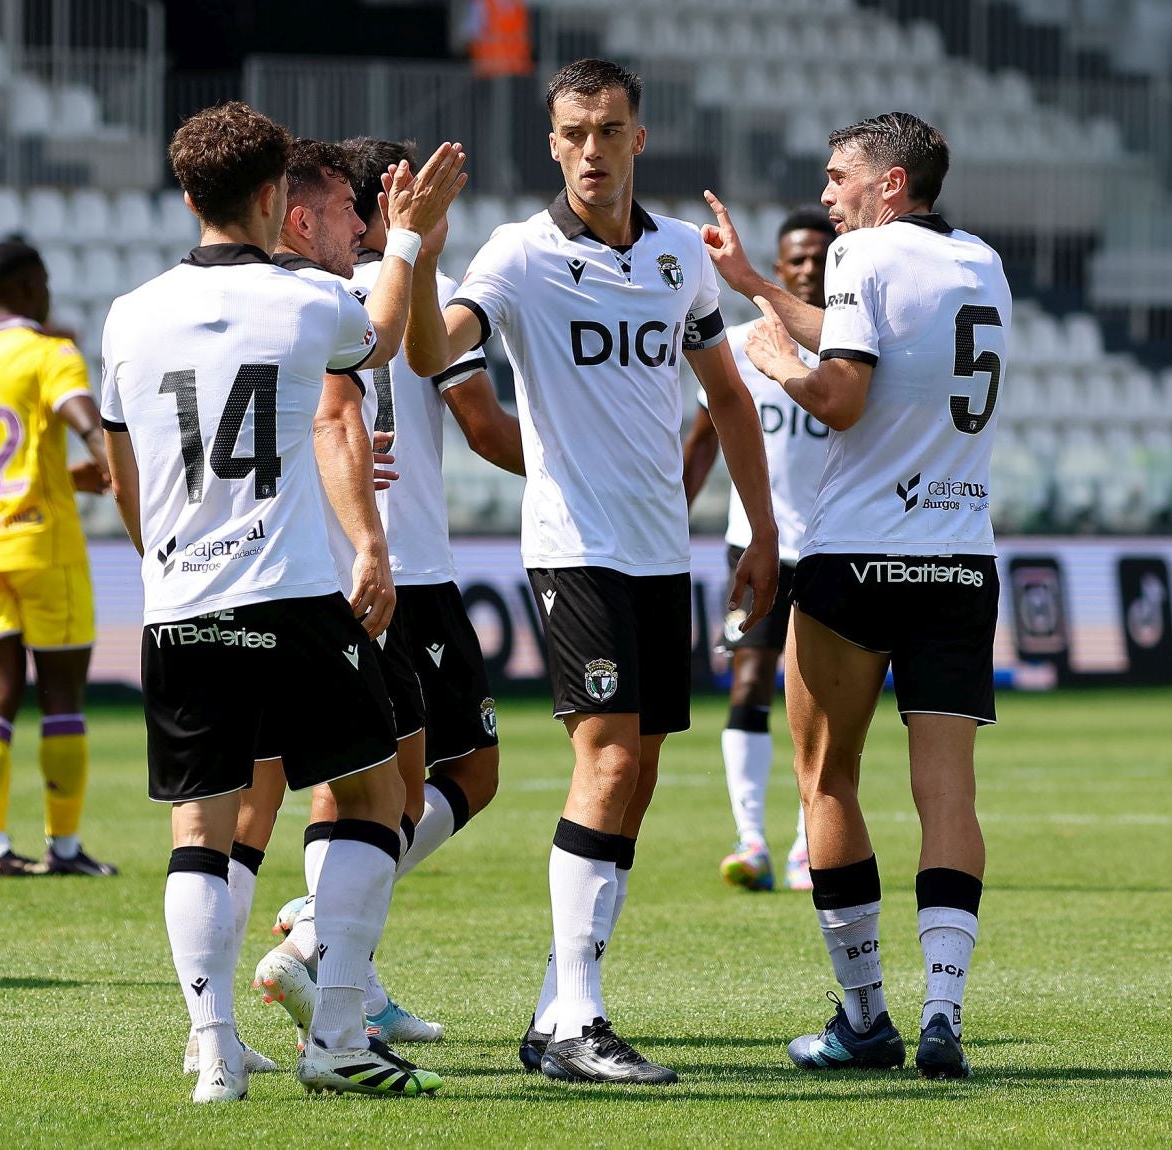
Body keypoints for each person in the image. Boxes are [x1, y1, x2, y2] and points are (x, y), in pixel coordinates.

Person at [404, 58, 778, 1085]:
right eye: (574, 132)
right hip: (574, 546)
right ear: (552, 143)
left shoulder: (679, 255)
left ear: (638, 139)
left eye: (610, 130)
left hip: (662, 550)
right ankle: (578, 1022)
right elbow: (435, 349)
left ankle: (553, 1011)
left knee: (638, 778)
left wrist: (760, 529)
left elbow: (728, 398)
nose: (592, 150)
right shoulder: (518, 254)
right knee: (608, 764)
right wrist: (417, 252)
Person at [100, 99, 463, 1102]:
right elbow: (380, 341)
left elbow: (125, 471)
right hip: (295, 598)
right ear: (273, 197)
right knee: (374, 796)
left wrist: (163, 561)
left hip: (181, 603)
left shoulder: (129, 313)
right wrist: (409, 236)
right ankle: (338, 1035)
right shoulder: (308, 302)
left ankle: (212, 1049)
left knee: (200, 826)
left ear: (188, 198)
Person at [704, 111, 1010, 1080]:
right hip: (958, 559)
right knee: (948, 793)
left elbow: (841, 394)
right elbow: (881, 343)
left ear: (890, 184)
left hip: (857, 557)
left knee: (826, 779)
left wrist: (778, 365)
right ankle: (944, 1014)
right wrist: (758, 288)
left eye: (840, 176)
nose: (827, 193)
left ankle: (866, 1019)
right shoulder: (982, 262)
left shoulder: (861, 255)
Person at [251, 135, 521, 1050]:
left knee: (354, 786)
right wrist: (592, 463)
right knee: (454, 776)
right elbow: (482, 424)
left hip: (335, 570)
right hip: (406, 568)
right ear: (394, 199)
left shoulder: (305, 300)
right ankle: (324, 940)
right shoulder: (396, 298)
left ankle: (349, 977)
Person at [0, 239, 116, 878]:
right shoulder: (50, 354)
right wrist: (112, 464)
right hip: (43, 544)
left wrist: (61, 477)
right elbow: (84, 422)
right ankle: (63, 849)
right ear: (32, 285)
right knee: (61, 696)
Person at [681, 205, 836, 894]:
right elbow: (701, 443)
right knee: (748, 685)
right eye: (796, 258)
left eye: (820, 258)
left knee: (822, 701)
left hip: (831, 550)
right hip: (753, 547)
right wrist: (673, 517)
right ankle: (750, 840)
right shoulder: (739, 344)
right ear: (776, 267)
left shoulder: (849, 353)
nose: (808, 268)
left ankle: (808, 844)